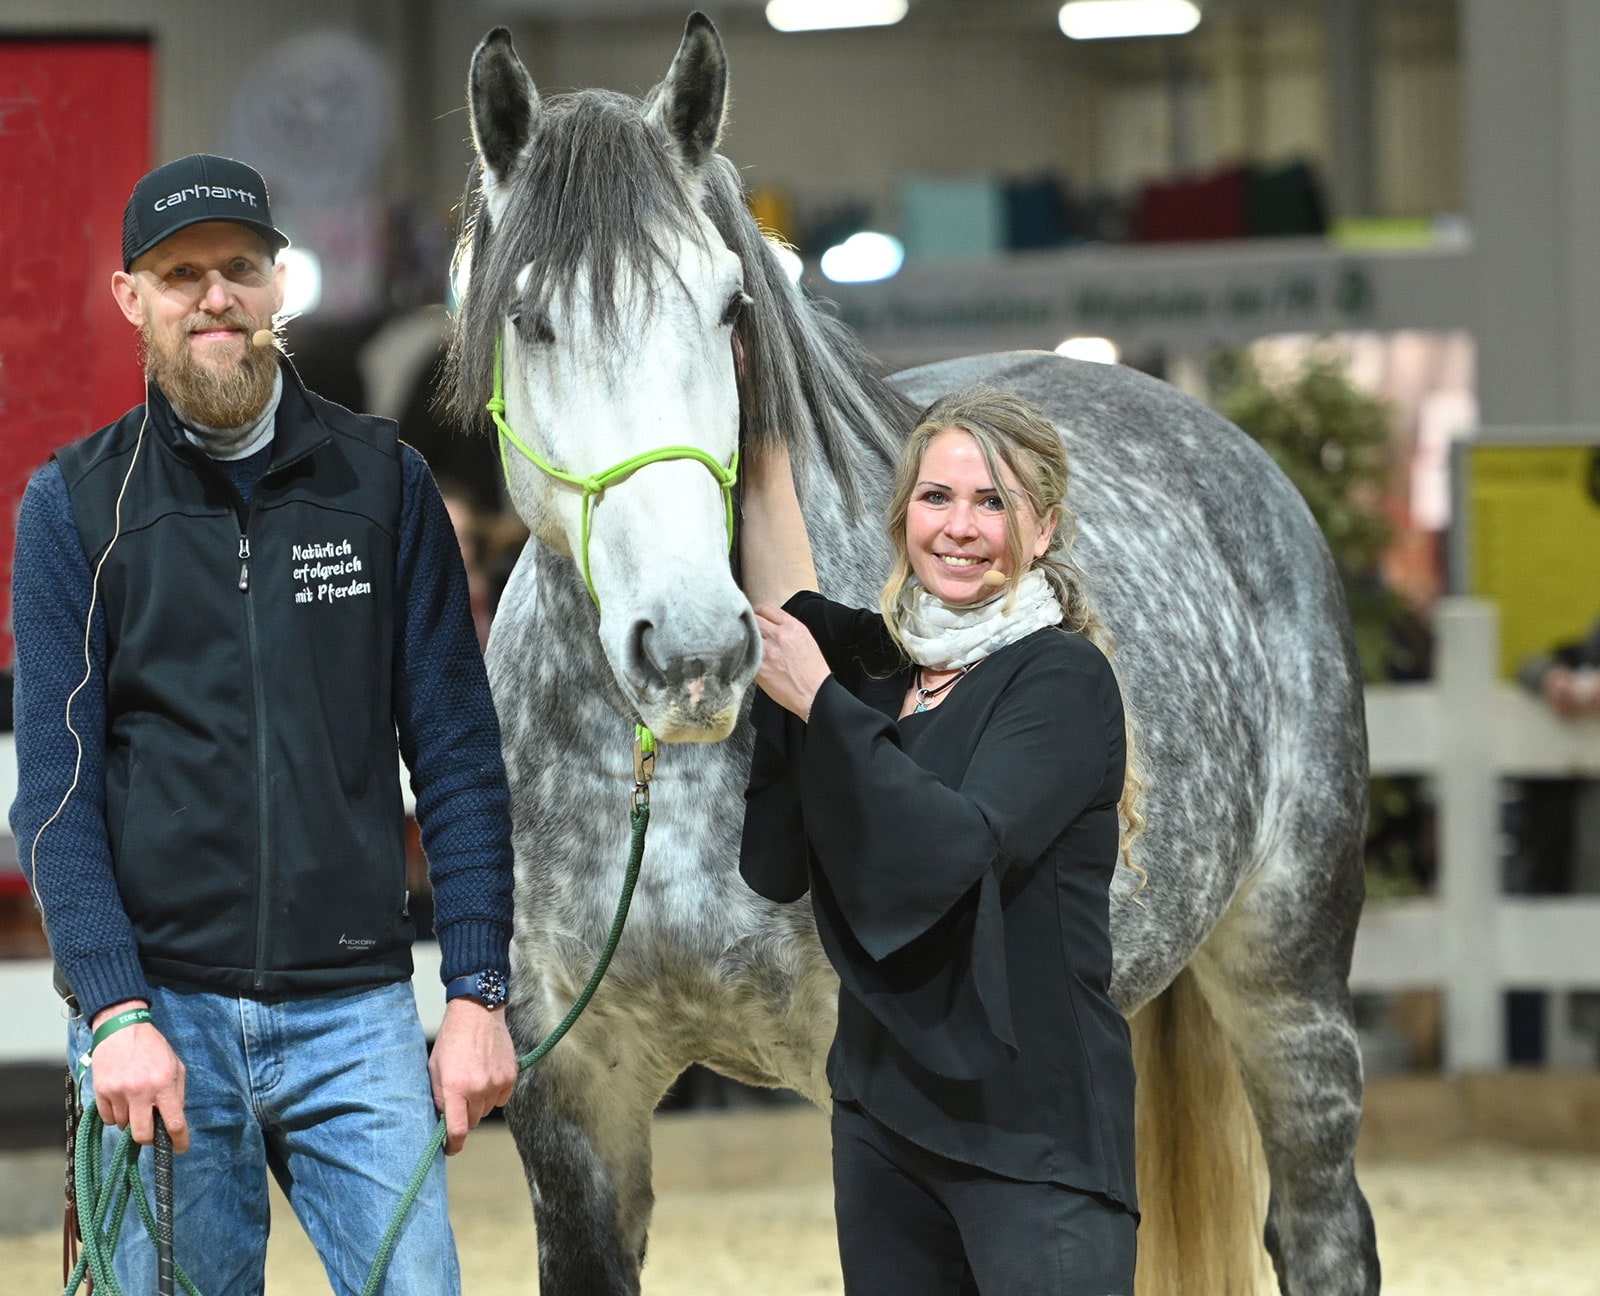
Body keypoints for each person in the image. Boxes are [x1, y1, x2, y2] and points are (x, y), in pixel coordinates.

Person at [7, 154, 518, 1295]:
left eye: (238, 267)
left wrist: (480, 992)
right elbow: (53, 794)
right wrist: (114, 1009)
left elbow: (459, 760)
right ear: (130, 298)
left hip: (359, 1016)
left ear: (280, 281)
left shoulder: (382, 486)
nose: (214, 296)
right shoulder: (75, 507)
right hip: (161, 1014)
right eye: (179, 275)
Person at [738, 386, 1141, 1295]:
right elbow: (784, 617)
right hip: (883, 1124)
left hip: (1033, 1136)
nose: (960, 527)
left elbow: (959, 845)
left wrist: (820, 703)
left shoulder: (1062, 680)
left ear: (1042, 532)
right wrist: (761, 420)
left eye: (993, 502)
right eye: (937, 498)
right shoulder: (882, 668)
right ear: (903, 518)